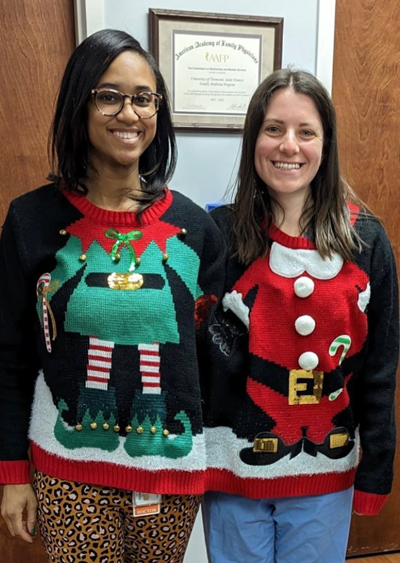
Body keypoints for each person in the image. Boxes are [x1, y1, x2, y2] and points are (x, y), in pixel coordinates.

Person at [0, 28, 224, 563]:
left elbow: (211, 358)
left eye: (143, 98)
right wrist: (11, 472)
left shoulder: (196, 230)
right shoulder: (32, 221)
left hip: (169, 474)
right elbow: (10, 356)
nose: (129, 113)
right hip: (67, 469)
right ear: (80, 104)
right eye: (109, 95)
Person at [202, 69, 399, 563]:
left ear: (325, 146)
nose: (289, 145)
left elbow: (380, 369)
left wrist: (377, 468)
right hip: (233, 471)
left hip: (324, 474)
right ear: (253, 140)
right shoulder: (217, 235)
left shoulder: (368, 243)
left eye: (305, 131)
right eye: (273, 129)